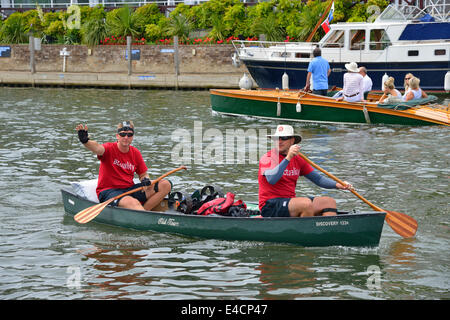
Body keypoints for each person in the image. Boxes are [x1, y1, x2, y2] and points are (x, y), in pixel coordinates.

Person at [258, 124, 353, 218]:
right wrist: (288, 158)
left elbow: (318, 179)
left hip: (289, 202)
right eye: (277, 138)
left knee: (329, 202)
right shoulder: (268, 157)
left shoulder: (299, 159)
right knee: (305, 204)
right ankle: (305, 231)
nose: (279, 141)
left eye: (283, 138)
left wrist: (338, 185)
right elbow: (272, 179)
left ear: (292, 141)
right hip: (269, 205)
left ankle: (329, 231)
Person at [75, 121, 172, 211]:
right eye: (123, 134)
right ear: (117, 136)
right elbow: (97, 148)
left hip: (129, 189)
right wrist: (85, 141)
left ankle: (143, 212)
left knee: (165, 184)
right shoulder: (108, 148)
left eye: (129, 134)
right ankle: (141, 213)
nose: (126, 137)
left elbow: (143, 174)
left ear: (132, 136)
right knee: (133, 202)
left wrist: (145, 180)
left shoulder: (135, 153)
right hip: (109, 191)